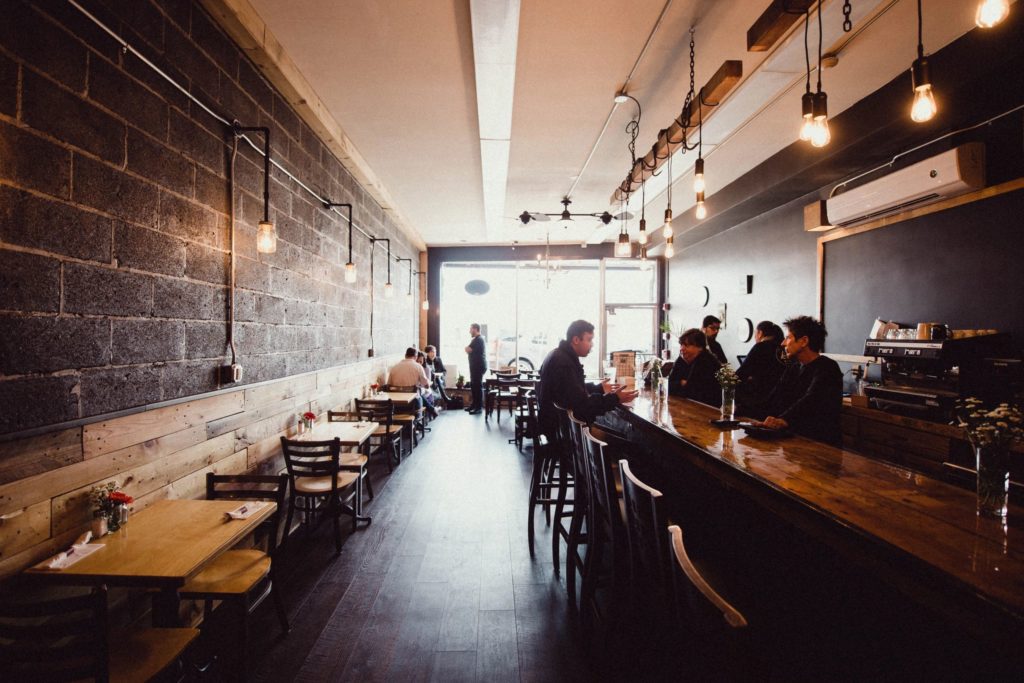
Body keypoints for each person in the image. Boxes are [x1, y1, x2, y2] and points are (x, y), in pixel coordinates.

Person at [537, 320, 638, 440]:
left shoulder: (558, 355)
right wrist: (615, 398)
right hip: (566, 435)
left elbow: (570, 390)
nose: (592, 344)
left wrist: (599, 388)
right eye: (589, 339)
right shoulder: (564, 363)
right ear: (576, 340)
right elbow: (584, 406)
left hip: (557, 427)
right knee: (629, 444)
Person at [757, 316, 843, 447]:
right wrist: (743, 410)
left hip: (819, 446)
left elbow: (811, 399)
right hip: (791, 442)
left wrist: (783, 420)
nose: (783, 343)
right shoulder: (794, 367)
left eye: (788, 338)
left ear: (804, 341)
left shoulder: (828, 368)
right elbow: (775, 395)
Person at [736, 321, 785, 413]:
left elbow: (740, 374)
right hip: (780, 399)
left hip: (759, 399)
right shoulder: (782, 349)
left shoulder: (760, 347)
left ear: (760, 333)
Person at [667, 328, 722, 406]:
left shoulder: (706, 361)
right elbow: (668, 386)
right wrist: (682, 383)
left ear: (700, 347)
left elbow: (692, 392)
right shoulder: (681, 359)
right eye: (681, 344)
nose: (682, 349)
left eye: (686, 345)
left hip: (709, 409)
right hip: (690, 405)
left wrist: (681, 384)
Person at [464, 323, 487, 415]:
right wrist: (467, 349)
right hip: (474, 366)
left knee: (477, 386)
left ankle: (479, 407)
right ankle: (474, 405)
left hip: (478, 366)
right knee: (474, 386)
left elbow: (469, 350)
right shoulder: (476, 340)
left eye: (471, 329)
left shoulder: (479, 340)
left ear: (475, 329)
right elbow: (469, 350)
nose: (469, 331)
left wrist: (467, 348)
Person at [415, 350, 439, 418]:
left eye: (421, 361)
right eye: (417, 361)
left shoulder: (427, 368)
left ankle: (431, 410)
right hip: (418, 389)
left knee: (419, 394)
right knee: (418, 394)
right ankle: (433, 410)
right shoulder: (414, 368)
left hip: (425, 389)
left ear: (424, 361)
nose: (419, 363)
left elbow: (427, 383)